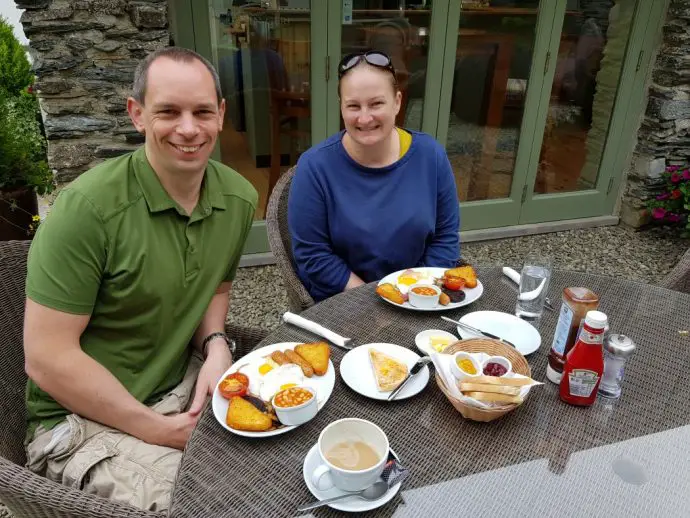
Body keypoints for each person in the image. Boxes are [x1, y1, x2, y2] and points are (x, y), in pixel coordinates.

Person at [23, 47, 258, 512]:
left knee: (290, 450)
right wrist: (154, 428)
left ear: (221, 115)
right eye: (168, 111)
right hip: (78, 422)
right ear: (137, 114)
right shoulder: (86, 211)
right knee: (219, 503)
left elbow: (216, 285)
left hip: (178, 385)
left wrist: (215, 342)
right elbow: (46, 359)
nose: (188, 129)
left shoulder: (239, 198)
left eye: (202, 112)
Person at [288, 50, 460, 302]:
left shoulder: (430, 156)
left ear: (397, 102)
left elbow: (446, 237)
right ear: (341, 107)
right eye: (353, 105)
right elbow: (312, 255)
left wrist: (418, 291)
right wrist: (379, 299)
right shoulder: (314, 168)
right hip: (344, 300)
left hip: (419, 296)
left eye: (376, 103)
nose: (365, 117)